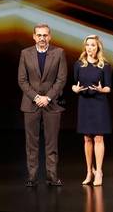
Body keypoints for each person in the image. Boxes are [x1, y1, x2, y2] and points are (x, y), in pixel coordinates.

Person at [18, 23, 68, 187]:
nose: (42, 38)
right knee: (31, 143)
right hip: (30, 104)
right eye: (39, 35)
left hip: (52, 104)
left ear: (50, 36)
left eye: (45, 35)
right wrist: (36, 97)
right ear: (34, 37)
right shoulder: (25, 53)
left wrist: (47, 97)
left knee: (51, 142)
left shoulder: (59, 52)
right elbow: (22, 80)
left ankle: (52, 177)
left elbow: (61, 79)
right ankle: (32, 176)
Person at [71, 34, 112, 187]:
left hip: (99, 103)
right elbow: (74, 84)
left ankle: (99, 172)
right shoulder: (78, 64)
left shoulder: (104, 65)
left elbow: (108, 87)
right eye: (88, 45)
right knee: (87, 138)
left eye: (93, 45)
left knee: (98, 138)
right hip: (84, 103)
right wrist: (75, 88)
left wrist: (102, 89)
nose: (90, 48)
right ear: (85, 47)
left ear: (98, 47)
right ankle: (89, 171)